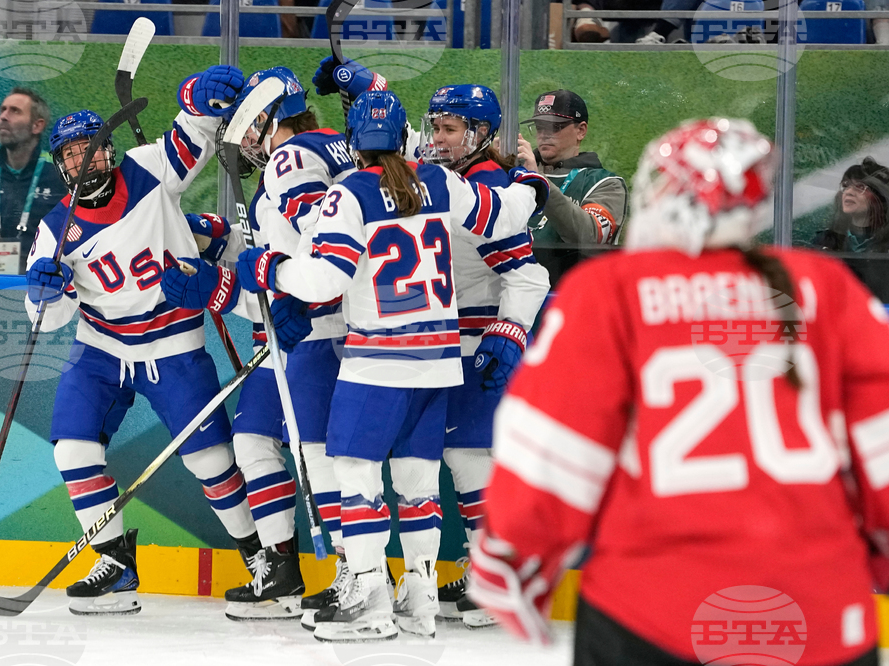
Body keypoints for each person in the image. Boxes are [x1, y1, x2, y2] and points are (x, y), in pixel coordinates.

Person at [468, 117, 888, 666]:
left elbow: (553, 446)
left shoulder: (612, 290)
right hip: (816, 610)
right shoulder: (826, 287)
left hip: (650, 608)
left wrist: (513, 564)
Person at [234, 90, 547, 642]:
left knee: (356, 477)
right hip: (440, 360)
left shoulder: (348, 193)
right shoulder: (443, 182)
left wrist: (271, 267)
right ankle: (421, 598)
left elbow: (324, 281)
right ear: (407, 136)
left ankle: (370, 599)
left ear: (353, 143)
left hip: (377, 360)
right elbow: (510, 213)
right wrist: (530, 181)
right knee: (417, 480)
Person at [22, 65, 262, 616]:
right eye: (73, 156)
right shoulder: (54, 229)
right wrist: (45, 293)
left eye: (95, 151)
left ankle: (259, 556)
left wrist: (196, 95)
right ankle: (113, 560)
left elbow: (195, 132)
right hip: (101, 347)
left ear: (110, 151)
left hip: (172, 341)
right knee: (73, 448)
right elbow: (49, 318)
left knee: (212, 460)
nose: (88, 162)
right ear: (61, 166)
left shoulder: (152, 169)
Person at [163, 65, 356, 624]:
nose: (246, 140)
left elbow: (325, 248)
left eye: (250, 125)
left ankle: (352, 568)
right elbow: (281, 254)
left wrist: (231, 290)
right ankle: (281, 565)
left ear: (271, 117)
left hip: (322, 333)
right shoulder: (328, 150)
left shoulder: (290, 158)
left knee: (320, 457)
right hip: (295, 335)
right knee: (252, 440)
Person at [417, 83, 550, 628]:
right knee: (445, 459)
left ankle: (496, 576)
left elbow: (526, 273)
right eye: (436, 127)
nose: (439, 138)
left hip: (472, 340)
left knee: (471, 458)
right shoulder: (448, 177)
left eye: (451, 129)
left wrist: (509, 329)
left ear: (480, 134)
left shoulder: (487, 183)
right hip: (434, 341)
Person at [516, 90, 627, 246]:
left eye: (555, 126)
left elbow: (591, 237)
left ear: (581, 130)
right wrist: (495, 169)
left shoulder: (606, 184)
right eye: (539, 127)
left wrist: (538, 180)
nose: (543, 134)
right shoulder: (517, 173)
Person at [0, 87, 64, 274]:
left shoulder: (58, 176)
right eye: (2, 110)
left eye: (15, 111)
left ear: (37, 126)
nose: (3, 117)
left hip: (45, 284)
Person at [812, 157, 889, 253]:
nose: (849, 192)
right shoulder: (824, 241)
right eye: (845, 186)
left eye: (860, 187)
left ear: (880, 196)